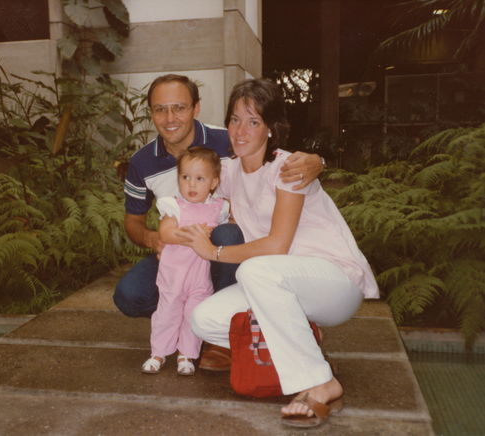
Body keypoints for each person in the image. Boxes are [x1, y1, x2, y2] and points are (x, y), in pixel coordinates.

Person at [179, 78, 379, 428]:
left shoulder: (290, 168)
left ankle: (319, 382)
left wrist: (213, 251)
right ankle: (302, 337)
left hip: (332, 281)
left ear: (271, 128)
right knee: (203, 319)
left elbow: (277, 245)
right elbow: (190, 169)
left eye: (253, 121)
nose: (241, 131)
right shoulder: (228, 171)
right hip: (282, 286)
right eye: (235, 119)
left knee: (255, 269)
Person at [114, 73, 325, 370]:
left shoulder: (226, 139)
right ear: (151, 113)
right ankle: (184, 320)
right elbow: (133, 222)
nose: (170, 117)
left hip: (225, 248)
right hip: (178, 252)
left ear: (196, 108)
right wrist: (153, 239)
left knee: (227, 232)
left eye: (180, 107)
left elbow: (273, 152)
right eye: (160, 109)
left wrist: (318, 161)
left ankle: (220, 337)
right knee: (128, 295)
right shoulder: (141, 162)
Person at [141, 147, 229, 376]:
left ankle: (186, 354)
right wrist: (195, 234)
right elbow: (166, 234)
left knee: (193, 312)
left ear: (213, 182)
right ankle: (158, 352)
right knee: (168, 311)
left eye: (200, 179)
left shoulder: (219, 208)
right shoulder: (174, 206)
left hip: (200, 275)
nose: (191, 185)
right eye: (185, 177)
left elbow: (230, 231)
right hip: (174, 274)